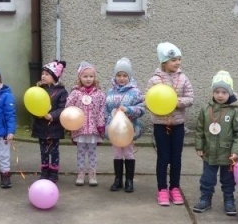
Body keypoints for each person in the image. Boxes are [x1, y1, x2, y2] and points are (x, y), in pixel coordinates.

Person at [146, 42, 194, 206]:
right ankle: (162, 189)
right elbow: (148, 101)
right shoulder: (154, 80)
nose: (177, 63)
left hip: (178, 125)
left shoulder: (183, 78)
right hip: (160, 125)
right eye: (173, 60)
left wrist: (175, 102)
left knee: (176, 157)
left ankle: (174, 187)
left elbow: (190, 98)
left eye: (179, 59)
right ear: (164, 62)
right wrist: (160, 105)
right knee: (163, 157)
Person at [193, 71, 238, 215]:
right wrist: (199, 146)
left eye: (224, 92)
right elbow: (199, 129)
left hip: (228, 153)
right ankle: (205, 198)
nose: (220, 95)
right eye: (217, 91)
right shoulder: (206, 108)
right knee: (207, 178)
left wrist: (236, 151)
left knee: (228, 179)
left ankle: (229, 199)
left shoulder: (235, 111)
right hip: (209, 152)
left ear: (230, 92)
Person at [104, 57, 145, 193]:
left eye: (124, 75)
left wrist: (128, 110)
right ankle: (117, 179)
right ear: (115, 76)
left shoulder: (135, 92)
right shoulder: (110, 92)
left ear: (129, 76)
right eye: (119, 75)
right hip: (114, 130)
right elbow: (106, 110)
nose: (121, 78)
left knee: (128, 153)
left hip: (128, 129)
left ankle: (129, 180)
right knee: (117, 154)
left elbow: (141, 109)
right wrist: (107, 123)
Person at [66, 62, 106, 186]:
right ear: (80, 78)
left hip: (93, 129)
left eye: (91, 76)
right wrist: (70, 124)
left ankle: (92, 174)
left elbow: (101, 110)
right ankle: (81, 173)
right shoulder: (75, 93)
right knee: (81, 152)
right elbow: (68, 108)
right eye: (85, 76)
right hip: (80, 129)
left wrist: (101, 125)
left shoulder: (99, 94)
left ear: (95, 77)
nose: (88, 79)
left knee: (92, 153)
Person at [32, 60, 68, 183]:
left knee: (54, 151)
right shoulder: (38, 89)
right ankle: (44, 171)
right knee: (43, 151)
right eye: (42, 74)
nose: (43, 76)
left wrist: (52, 116)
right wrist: (37, 114)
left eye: (47, 74)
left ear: (54, 77)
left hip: (54, 127)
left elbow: (62, 108)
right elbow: (33, 105)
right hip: (41, 126)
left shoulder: (61, 91)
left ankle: (54, 172)